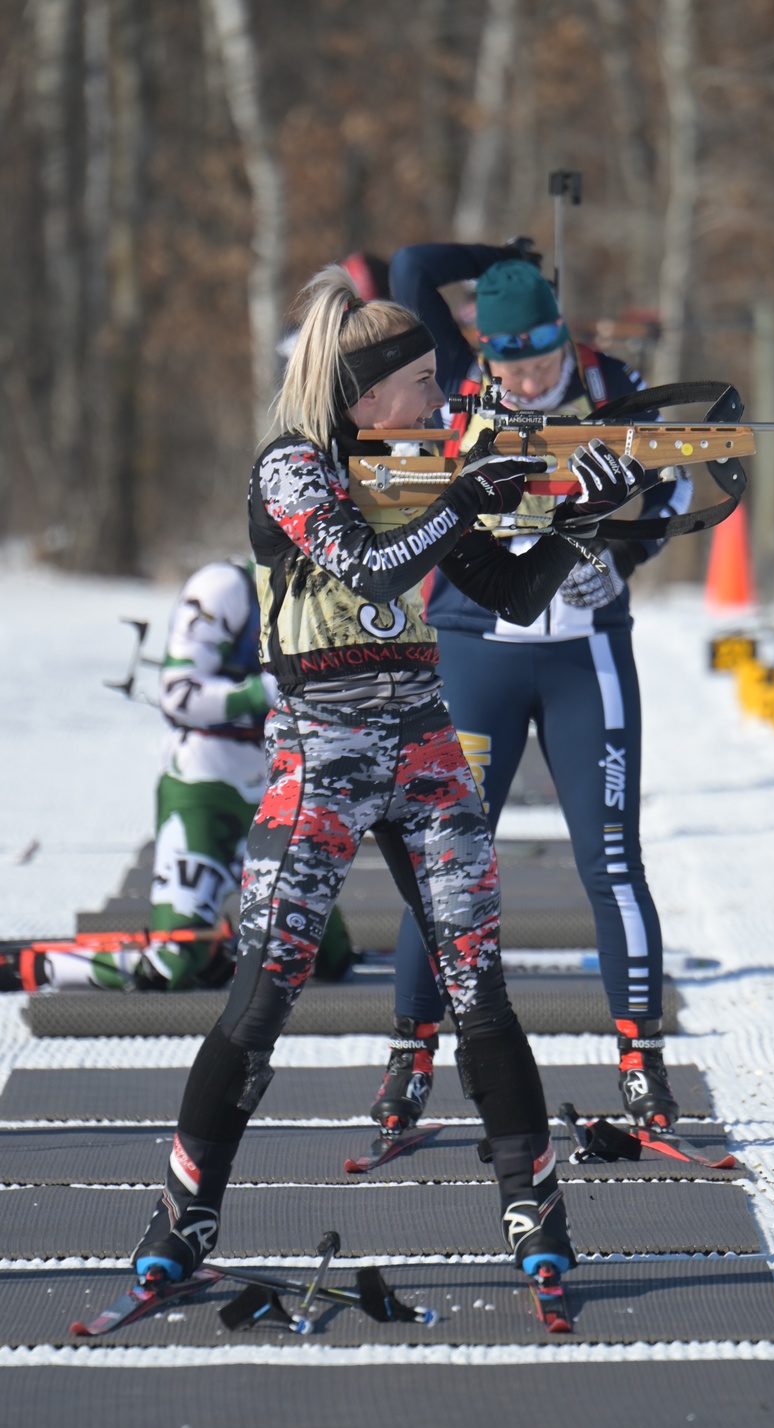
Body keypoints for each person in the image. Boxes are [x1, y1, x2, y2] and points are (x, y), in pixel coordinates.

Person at [131, 265, 636, 1291]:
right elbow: (367, 565)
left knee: (479, 989)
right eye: (423, 386)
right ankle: (184, 1214)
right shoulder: (290, 468)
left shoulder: (416, 465)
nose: (443, 404)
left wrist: (588, 519)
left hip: (425, 750)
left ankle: (532, 1206)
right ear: (367, 396)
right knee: (261, 993)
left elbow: (505, 589)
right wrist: (461, 497)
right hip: (320, 759)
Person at [370, 242, 694, 1139]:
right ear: (490, 350)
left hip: (584, 652)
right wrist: (501, 256)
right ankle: (411, 1052)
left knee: (612, 857)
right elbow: (407, 271)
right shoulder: (460, 383)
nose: (532, 375)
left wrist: (623, 550)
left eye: (545, 356)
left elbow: (681, 488)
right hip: (478, 650)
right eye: (514, 361)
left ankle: (642, 1057)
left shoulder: (612, 381)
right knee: (445, 864)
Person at [0, 559, 352, 994]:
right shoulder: (224, 587)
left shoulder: (332, 590)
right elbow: (179, 695)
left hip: (280, 794)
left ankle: (221, 948)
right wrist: (263, 691)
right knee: (172, 963)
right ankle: (34, 966)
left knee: (332, 960)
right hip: (206, 793)